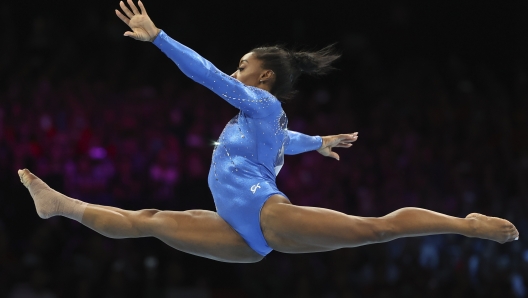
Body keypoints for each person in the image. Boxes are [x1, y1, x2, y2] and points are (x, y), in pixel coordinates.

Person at [18, 0, 518, 264]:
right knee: (147, 218)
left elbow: (208, 75)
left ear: (264, 77)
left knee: (375, 229)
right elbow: (285, 141)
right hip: (239, 234)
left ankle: (467, 224)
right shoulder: (259, 120)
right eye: (237, 68)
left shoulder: (257, 101)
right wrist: (318, 142)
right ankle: (59, 205)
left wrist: (160, 38)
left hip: (263, 213)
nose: (235, 74)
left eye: (243, 66)